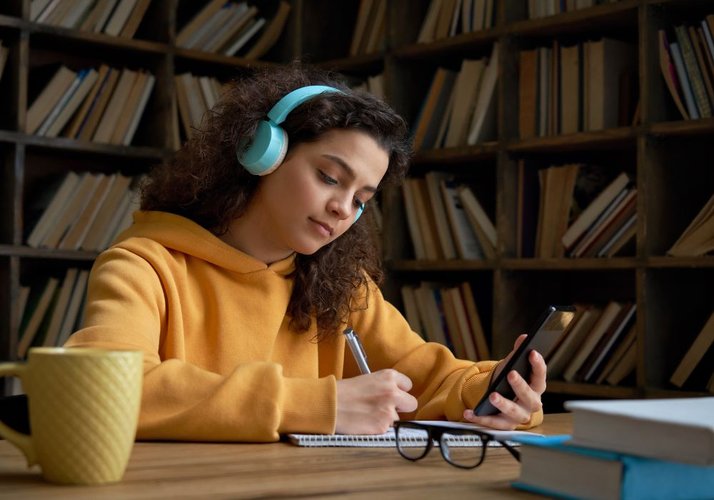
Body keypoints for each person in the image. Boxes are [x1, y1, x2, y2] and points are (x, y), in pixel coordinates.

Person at [65, 63, 546, 442]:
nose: (342, 209)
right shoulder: (146, 266)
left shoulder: (342, 288)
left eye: (361, 200)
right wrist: (320, 406)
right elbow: (102, 389)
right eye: (329, 177)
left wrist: (497, 393)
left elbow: (431, 377)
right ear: (263, 153)